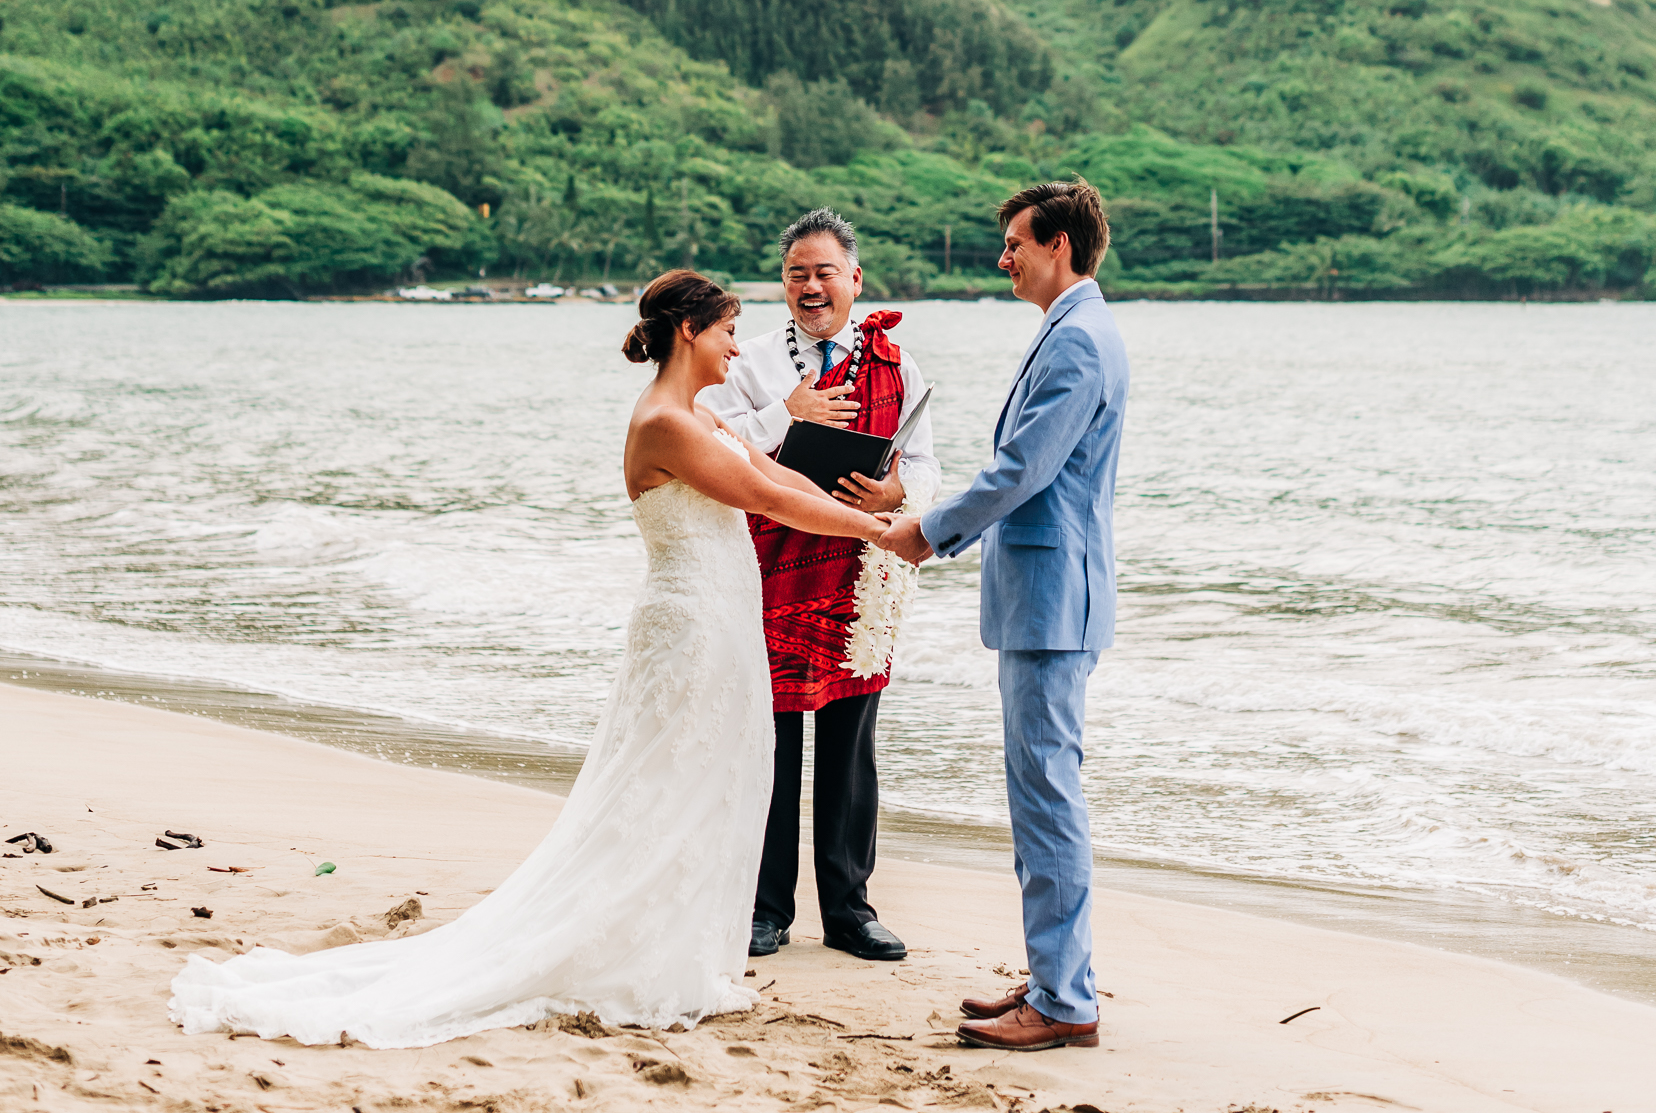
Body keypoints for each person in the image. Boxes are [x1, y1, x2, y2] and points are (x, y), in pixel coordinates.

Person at [170, 270, 885, 1049]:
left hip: (720, 618)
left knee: (705, 783)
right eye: (726, 331)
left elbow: (776, 474)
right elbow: (769, 502)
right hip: (692, 627)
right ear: (689, 332)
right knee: (665, 787)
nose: (735, 346)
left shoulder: (699, 415)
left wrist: (875, 507)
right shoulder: (666, 424)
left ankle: (672, 947)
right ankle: (630, 951)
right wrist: (884, 537)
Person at [882, 181, 1128, 1054]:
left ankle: (1065, 1001)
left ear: (1058, 245)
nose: (1003, 258)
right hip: (1049, 598)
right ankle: (1055, 976)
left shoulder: (1079, 343)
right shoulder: (1076, 330)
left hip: (1054, 604)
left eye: (1015, 243)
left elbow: (1023, 469)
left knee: (1048, 797)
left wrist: (929, 529)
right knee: (1039, 793)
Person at [698, 207, 939, 964]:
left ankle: (849, 910)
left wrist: (897, 492)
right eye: (797, 272)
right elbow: (713, 442)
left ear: (854, 279)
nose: (810, 284)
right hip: (768, 572)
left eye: (825, 271)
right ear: (783, 284)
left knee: (849, 746)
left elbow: (927, 465)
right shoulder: (750, 361)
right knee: (770, 743)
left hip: (858, 578)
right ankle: (766, 909)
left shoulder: (899, 365)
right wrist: (787, 411)